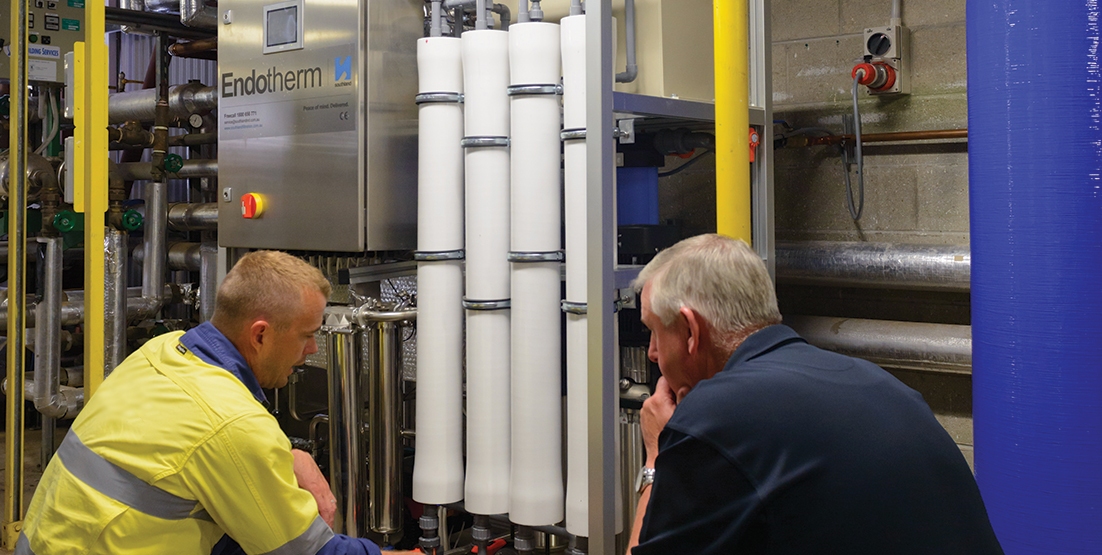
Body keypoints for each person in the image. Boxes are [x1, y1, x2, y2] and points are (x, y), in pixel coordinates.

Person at [18, 251, 417, 555]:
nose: (311, 350)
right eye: (306, 336)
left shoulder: (164, 351)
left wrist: (292, 455)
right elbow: (307, 551)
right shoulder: (231, 423)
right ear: (260, 335)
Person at [626, 234, 1003, 554]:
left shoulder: (716, 415)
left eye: (654, 331)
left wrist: (657, 456)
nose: (653, 353)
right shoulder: (879, 382)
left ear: (691, 330)